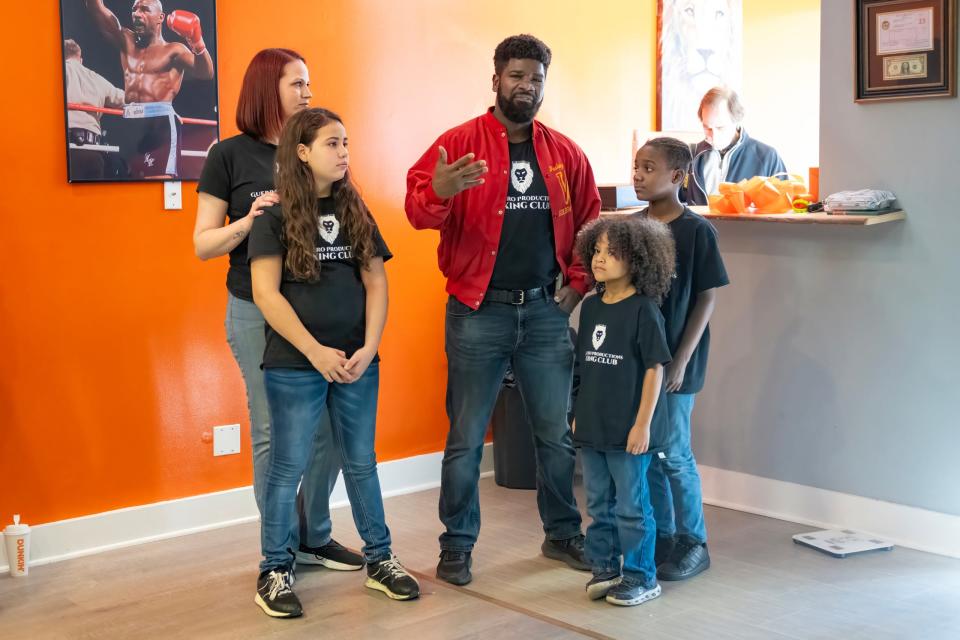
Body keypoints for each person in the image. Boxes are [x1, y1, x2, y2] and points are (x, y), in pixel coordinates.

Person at [405, 34, 600, 586]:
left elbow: (590, 222)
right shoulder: (458, 143)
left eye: (536, 79)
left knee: (556, 434)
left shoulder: (565, 153)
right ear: (496, 79)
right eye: (517, 76)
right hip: (476, 311)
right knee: (466, 436)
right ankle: (457, 545)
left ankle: (562, 535)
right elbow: (418, 211)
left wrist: (577, 286)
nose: (526, 87)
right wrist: (440, 191)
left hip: (544, 312)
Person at [194, 49, 360, 576]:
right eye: (297, 83)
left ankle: (315, 535)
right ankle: (279, 548)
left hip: (315, 311)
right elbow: (203, 244)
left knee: (329, 431)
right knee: (272, 431)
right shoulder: (228, 155)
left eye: (310, 83)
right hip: (253, 308)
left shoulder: (314, 153)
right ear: (269, 87)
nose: (308, 93)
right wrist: (249, 219)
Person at [249, 108, 420, 617]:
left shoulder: (354, 208)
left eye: (346, 142)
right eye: (331, 143)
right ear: (302, 152)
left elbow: (376, 281)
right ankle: (274, 570)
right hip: (296, 364)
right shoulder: (275, 215)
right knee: (288, 467)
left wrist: (369, 346)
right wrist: (315, 352)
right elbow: (265, 293)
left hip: (356, 362)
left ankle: (381, 561)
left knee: (361, 461)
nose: (344, 151)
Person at [633, 137, 730, 581]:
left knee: (674, 452)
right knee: (648, 452)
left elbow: (706, 298)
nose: (638, 176)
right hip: (638, 362)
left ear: (677, 176)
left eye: (648, 169)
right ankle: (664, 536)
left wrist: (681, 360)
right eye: (636, 167)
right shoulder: (630, 229)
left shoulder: (697, 232)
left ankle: (694, 542)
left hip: (676, 364)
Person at [572, 215, 675, 606]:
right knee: (598, 504)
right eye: (596, 251)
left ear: (638, 260)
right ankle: (605, 568)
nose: (600, 259)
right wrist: (579, 412)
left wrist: (642, 425)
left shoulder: (643, 310)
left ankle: (641, 575)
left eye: (611, 253)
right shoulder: (592, 307)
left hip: (629, 430)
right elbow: (585, 367)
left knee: (632, 506)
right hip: (593, 427)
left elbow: (654, 370)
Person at [84, 0, 214, 178]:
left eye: (144, 10)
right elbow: (96, 8)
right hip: (126, 121)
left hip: (158, 124)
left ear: (160, 17)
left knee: (158, 184)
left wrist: (197, 43)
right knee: (118, 181)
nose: (137, 14)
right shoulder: (126, 41)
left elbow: (206, 73)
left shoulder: (174, 50)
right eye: (134, 9)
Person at [683, 87, 786, 206]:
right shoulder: (691, 155)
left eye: (720, 127)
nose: (714, 136)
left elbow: (783, 208)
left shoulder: (767, 157)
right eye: (707, 127)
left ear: (737, 120)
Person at [63, 38, 125, 180]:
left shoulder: (57, 72)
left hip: (64, 149)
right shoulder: (96, 78)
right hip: (92, 150)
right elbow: (125, 99)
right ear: (81, 59)